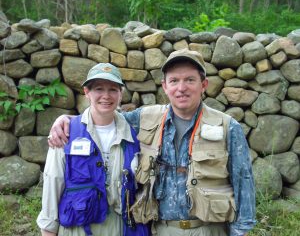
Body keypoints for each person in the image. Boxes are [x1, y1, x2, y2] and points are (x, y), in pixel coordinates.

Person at [48, 49, 256, 236]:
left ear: (204, 85)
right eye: (174, 81)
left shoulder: (228, 127)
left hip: (210, 230)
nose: (181, 88)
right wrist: (67, 121)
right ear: (165, 86)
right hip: (161, 229)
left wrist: (241, 231)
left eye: (190, 80)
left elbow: (243, 183)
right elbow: (103, 115)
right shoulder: (144, 118)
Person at [37, 63, 149, 236]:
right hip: (76, 228)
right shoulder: (66, 133)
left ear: (121, 94)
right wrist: (48, 231)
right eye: (98, 89)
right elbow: (53, 183)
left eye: (113, 89)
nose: (106, 96)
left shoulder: (135, 134)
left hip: (119, 228)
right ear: (86, 92)